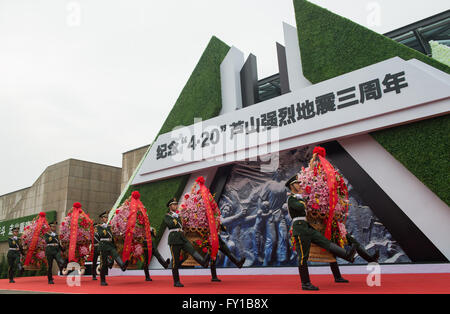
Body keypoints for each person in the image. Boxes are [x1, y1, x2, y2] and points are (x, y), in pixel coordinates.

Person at [286, 175, 357, 291]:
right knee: (303, 256)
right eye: (297, 183)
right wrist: (303, 200)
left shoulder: (299, 197)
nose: (300, 185)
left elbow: (305, 207)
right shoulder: (292, 199)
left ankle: (347, 255)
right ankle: (305, 283)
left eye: (299, 183)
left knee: (325, 242)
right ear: (291, 186)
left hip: (307, 227)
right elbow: (300, 207)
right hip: (299, 228)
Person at [161, 197, 210, 287]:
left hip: (182, 237)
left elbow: (182, 225)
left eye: (176, 204)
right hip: (174, 239)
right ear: (170, 206)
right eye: (174, 204)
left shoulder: (177, 215)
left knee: (192, 249)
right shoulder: (167, 216)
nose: (176, 206)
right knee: (175, 260)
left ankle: (204, 262)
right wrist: (174, 217)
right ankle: (176, 281)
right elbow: (171, 224)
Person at [97, 211, 128, 286]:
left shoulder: (109, 226)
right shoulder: (99, 226)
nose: (106, 219)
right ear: (101, 219)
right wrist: (105, 228)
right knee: (104, 264)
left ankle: (122, 265)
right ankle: (102, 280)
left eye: (107, 217)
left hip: (110, 245)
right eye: (105, 217)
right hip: (103, 245)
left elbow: (112, 235)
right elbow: (101, 234)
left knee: (115, 254)